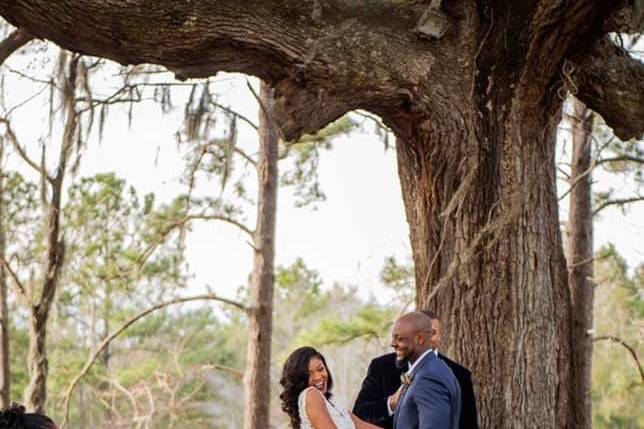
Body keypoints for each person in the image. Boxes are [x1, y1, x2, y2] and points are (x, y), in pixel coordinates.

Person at [353, 311, 478, 429]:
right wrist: (392, 402)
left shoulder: (443, 375)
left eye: (432, 332)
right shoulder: (381, 367)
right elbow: (359, 414)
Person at [280, 346, 383, 429]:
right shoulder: (311, 394)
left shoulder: (332, 401)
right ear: (300, 379)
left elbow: (361, 425)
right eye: (309, 374)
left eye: (320, 369)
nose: (318, 377)